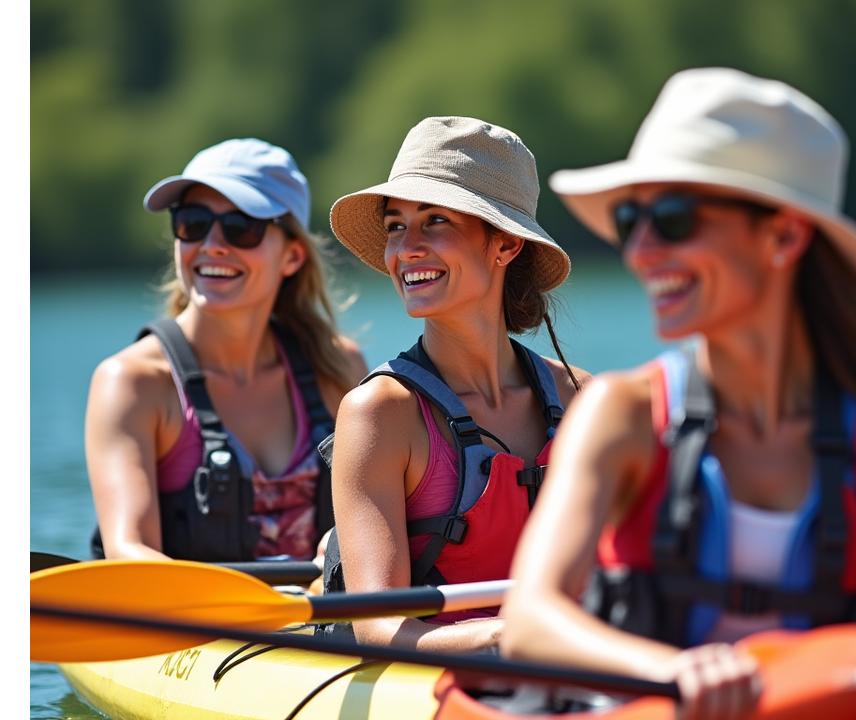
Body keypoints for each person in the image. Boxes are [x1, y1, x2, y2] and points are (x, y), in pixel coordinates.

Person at [500, 68, 856, 717]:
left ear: (784, 236)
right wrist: (676, 671)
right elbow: (530, 620)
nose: (640, 251)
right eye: (628, 217)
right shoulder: (621, 414)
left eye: (672, 218)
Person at [322, 116, 588, 652]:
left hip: (564, 662)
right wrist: (510, 635)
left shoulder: (582, 398)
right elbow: (381, 628)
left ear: (506, 245)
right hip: (439, 676)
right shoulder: (379, 412)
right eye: (396, 225)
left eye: (436, 221)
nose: (406, 248)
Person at [86, 138, 368, 564]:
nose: (213, 245)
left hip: (317, 627)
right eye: (193, 223)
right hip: (194, 627)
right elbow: (130, 553)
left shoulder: (338, 368)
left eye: (241, 228)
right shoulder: (132, 383)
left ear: (292, 256)